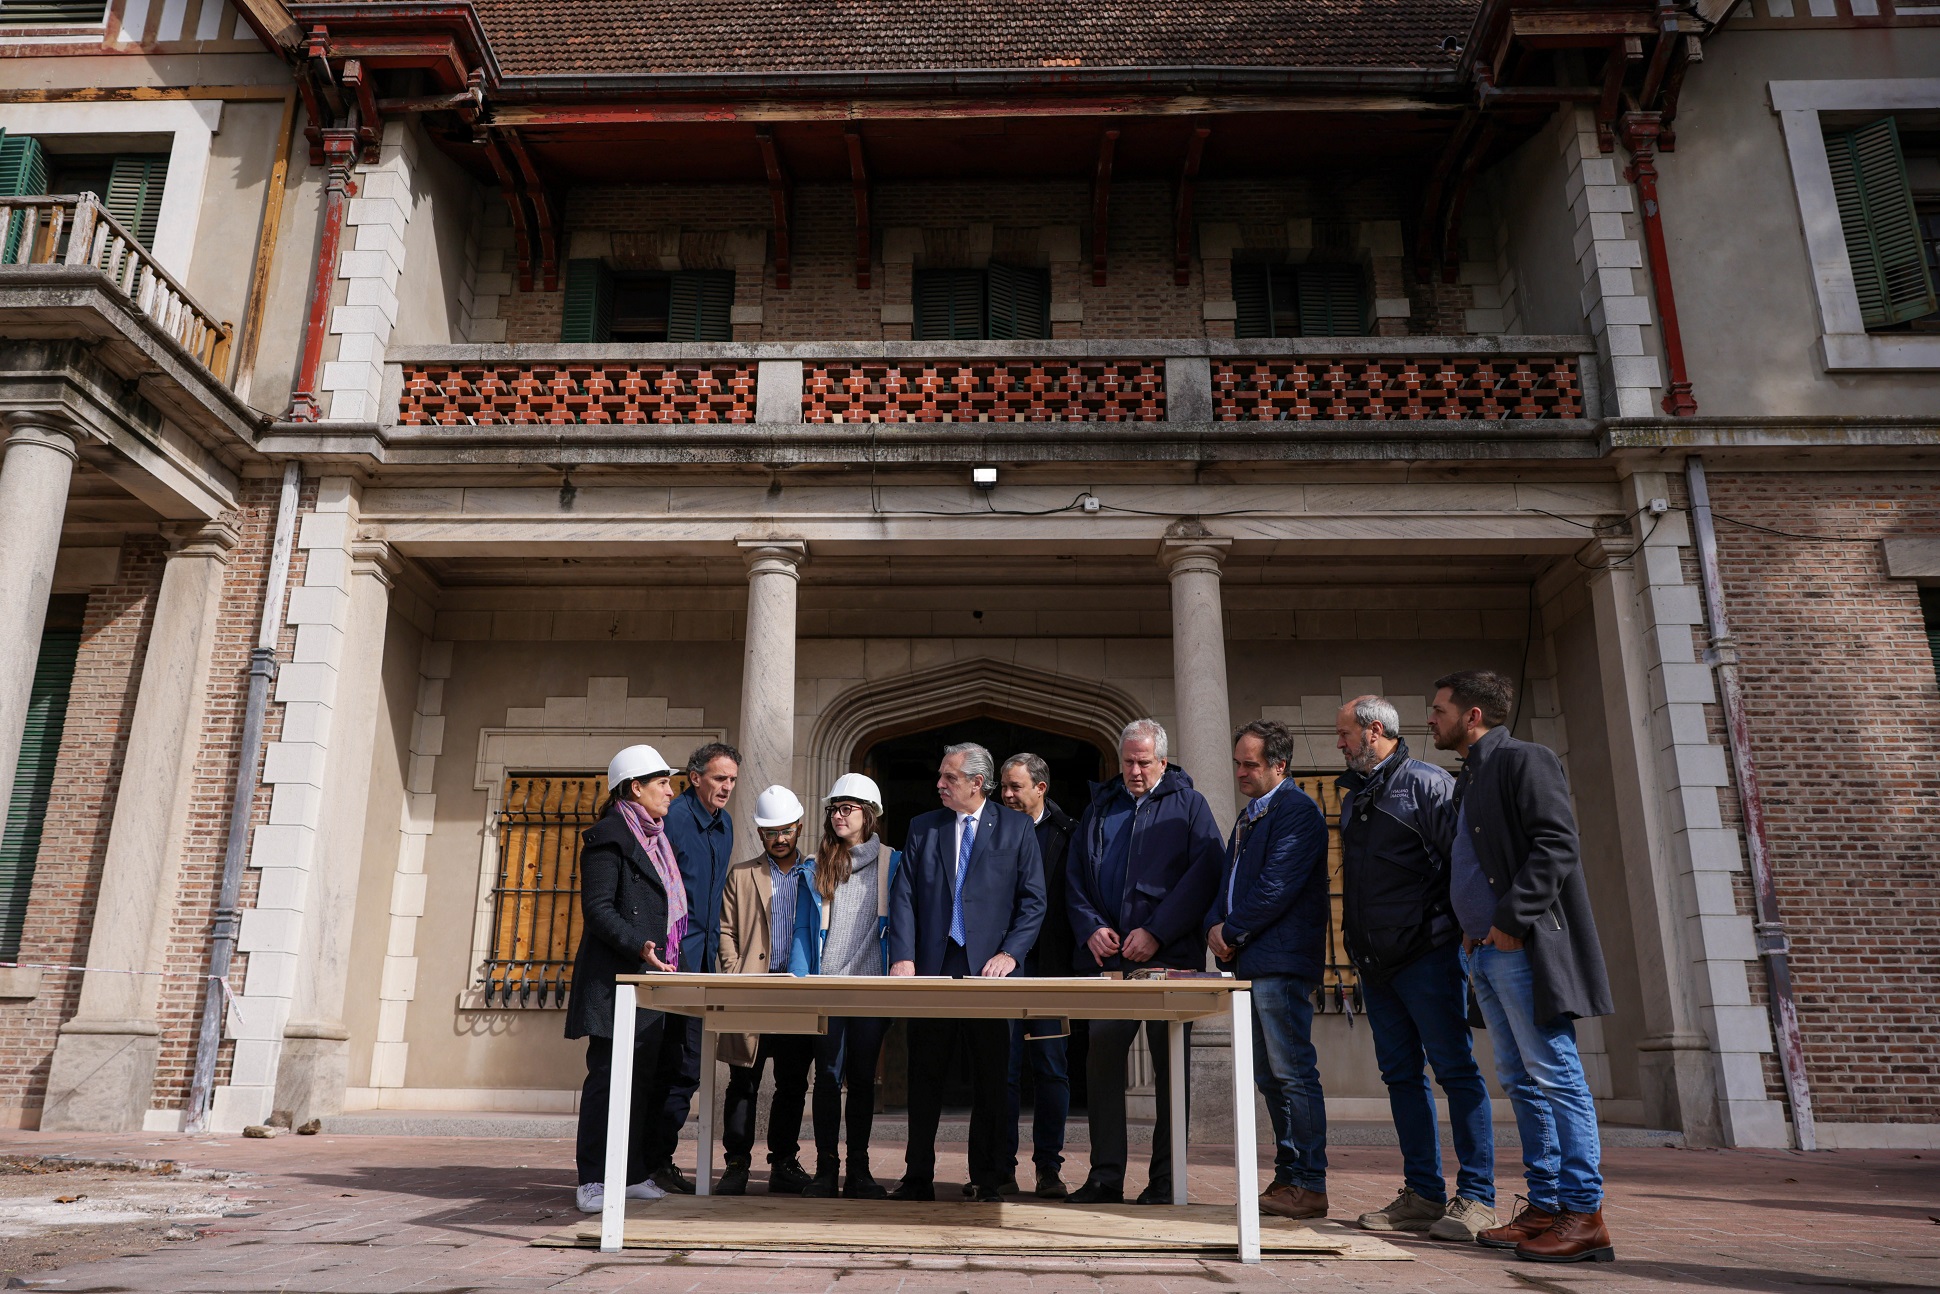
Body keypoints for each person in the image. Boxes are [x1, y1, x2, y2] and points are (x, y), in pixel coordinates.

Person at [1428, 669, 1616, 1264]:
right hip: (1482, 951)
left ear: (1473, 715)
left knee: (1556, 1076)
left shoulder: (1525, 760)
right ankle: (1544, 1206)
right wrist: (1471, 928)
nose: (1431, 718)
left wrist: (1510, 919)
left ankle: (1584, 1215)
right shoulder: (1471, 775)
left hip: (1520, 949)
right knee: (1519, 1081)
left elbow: (1557, 843)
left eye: (1439, 709)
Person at [1335, 696, 1496, 1241]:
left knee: (1455, 1072)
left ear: (1373, 731)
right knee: (1401, 1077)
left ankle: (1477, 1198)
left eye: (1344, 734)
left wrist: (1462, 936)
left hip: (1428, 957)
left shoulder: (1428, 784)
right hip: (1375, 966)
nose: (1338, 743)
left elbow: (1463, 867)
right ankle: (1423, 1195)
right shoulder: (1352, 795)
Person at [1065, 718, 1223, 1206]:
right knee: (1103, 1061)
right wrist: (1091, 926)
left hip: (1168, 961)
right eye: (1128, 761)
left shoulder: (1190, 806)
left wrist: (1156, 932)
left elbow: (1206, 874)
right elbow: (1075, 877)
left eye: (1144, 762)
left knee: (1169, 1069)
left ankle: (1166, 1180)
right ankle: (1105, 1176)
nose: (1134, 771)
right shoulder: (1100, 807)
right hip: (1110, 963)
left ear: (1163, 761)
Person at [887, 742, 1045, 1202]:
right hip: (932, 969)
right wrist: (903, 956)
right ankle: (918, 1176)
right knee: (925, 1074)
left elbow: (1033, 900)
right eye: (940, 776)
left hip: (991, 973)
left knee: (993, 1078)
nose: (939, 784)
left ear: (977, 783)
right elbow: (904, 896)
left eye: (949, 778)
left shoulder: (1015, 828)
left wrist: (1011, 954)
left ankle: (988, 1176)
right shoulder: (923, 827)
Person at [1205, 719, 1331, 1219]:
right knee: (1270, 1077)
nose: (1240, 771)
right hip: (1251, 963)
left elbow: (1276, 888)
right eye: (1237, 762)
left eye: (1249, 764)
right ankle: (1287, 1176)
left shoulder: (1297, 811)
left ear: (1279, 765)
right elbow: (1229, 882)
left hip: (1279, 963)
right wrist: (1215, 928)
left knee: (1293, 1072)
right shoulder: (1248, 816)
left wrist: (1230, 932)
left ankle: (1310, 1181)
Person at [563, 744, 683, 1214]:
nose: (671, 792)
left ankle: (630, 1173)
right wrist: (639, 945)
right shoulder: (608, 836)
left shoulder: (656, 838)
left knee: (642, 1081)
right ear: (635, 787)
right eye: (662, 783)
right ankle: (592, 1180)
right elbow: (597, 909)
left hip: (648, 981)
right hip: (614, 980)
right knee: (608, 1079)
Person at [788, 772, 900, 1199]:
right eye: (834, 808)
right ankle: (824, 1170)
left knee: (862, 1077)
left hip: (872, 987)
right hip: (826, 987)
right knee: (828, 1077)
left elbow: (904, 922)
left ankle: (859, 1170)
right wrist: (802, 983)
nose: (838, 815)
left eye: (847, 808)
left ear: (868, 815)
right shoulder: (816, 866)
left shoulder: (894, 862)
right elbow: (802, 928)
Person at [644, 742, 739, 1194]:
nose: (727, 787)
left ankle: (657, 1160)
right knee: (657, 1065)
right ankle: (640, 1163)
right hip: (667, 965)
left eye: (732, 780)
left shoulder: (727, 827)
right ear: (695, 777)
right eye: (720, 778)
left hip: (703, 969)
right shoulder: (672, 821)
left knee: (687, 1067)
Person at [713, 784, 815, 1196]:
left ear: (799, 828)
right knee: (743, 1081)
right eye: (770, 832)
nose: (779, 838)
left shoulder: (816, 871)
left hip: (796, 993)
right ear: (760, 834)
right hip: (750, 990)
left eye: (786, 830)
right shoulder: (742, 874)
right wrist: (736, 974)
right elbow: (725, 930)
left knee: (793, 1082)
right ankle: (736, 1163)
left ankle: (783, 1162)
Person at [995, 752, 1077, 1200]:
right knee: (1003, 1072)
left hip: (1050, 972)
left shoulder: (1070, 834)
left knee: (1050, 1070)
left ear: (1040, 789)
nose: (1006, 796)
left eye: (1015, 787)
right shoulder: (990, 829)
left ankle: (1048, 1168)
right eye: (1003, 787)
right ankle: (1001, 1169)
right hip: (1001, 971)